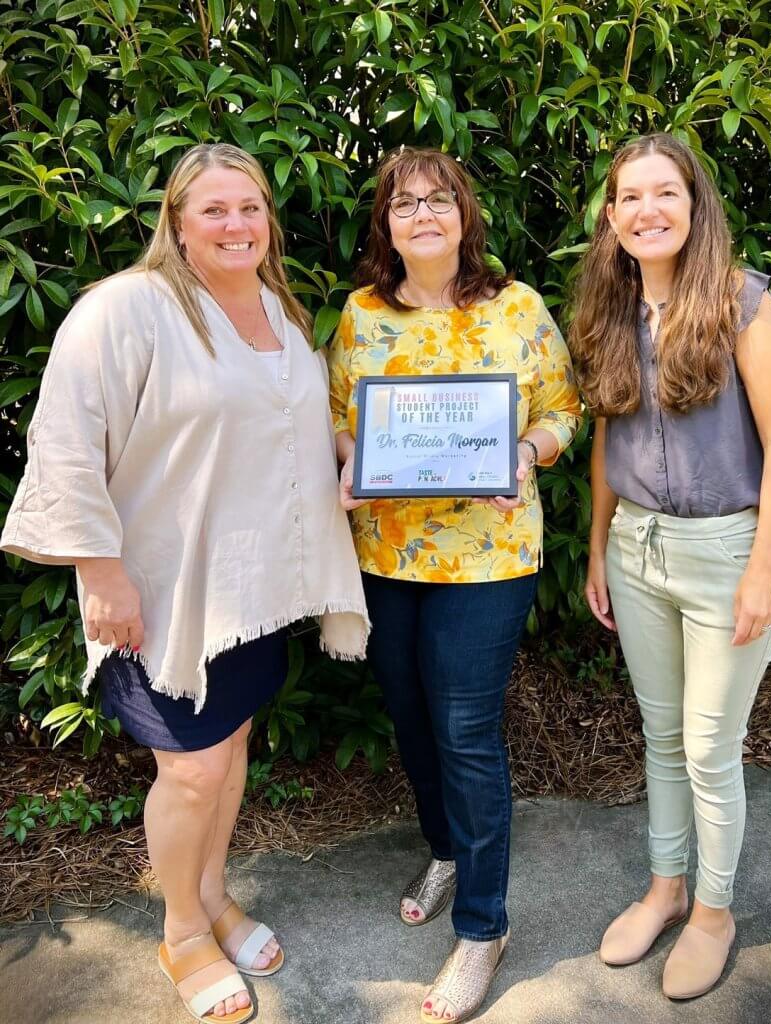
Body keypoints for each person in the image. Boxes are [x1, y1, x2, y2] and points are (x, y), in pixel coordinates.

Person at [1, 143, 369, 1024]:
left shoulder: (278, 308)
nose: (236, 224)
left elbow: (284, 428)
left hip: (250, 586)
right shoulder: (130, 307)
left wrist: (347, 457)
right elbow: (63, 439)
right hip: (164, 590)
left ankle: (211, 895)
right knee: (192, 771)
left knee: (230, 749)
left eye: (249, 207)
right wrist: (99, 569)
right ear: (176, 219)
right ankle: (181, 931)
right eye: (214, 209)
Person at [328, 147, 581, 1023]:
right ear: (386, 227)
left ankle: (483, 927)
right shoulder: (361, 315)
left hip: (488, 556)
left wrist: (523, 450)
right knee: (408, 711)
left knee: (467, 728)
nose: (424, 216)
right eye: (405, 206)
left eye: (439, 201)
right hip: (386, 554)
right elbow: (334, 416)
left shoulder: (516, 306)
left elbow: (562, 409)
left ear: (464, 216)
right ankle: (444, 849)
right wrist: (352, 456)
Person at [570, 133, 771, 1000]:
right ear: (611, 215)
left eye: (664, 193)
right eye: (629, 197)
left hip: (723, 552)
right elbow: (606, 432)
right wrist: (598, 546)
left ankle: (713, 910)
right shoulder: (606, 311)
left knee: (709, 746)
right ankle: (666, 889)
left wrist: (762, 569)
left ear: (694, 206)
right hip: (635, 548)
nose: (647, 211)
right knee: (660, 734)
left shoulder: (740, 302)